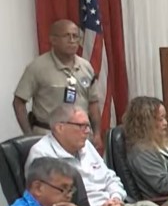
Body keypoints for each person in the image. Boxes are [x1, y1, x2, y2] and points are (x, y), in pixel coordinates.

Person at [26, 105, 159, 206]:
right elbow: (52, 202)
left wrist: (116, 198)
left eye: (88, 126)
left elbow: (110, 178)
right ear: (60, 127)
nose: (88, 132)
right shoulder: (42, 153)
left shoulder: (86, 145)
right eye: (81, 126)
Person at [12, 20, 104, 150]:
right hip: (48, 137)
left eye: (75, 36)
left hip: (81, 138)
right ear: (53, 40)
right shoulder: (37, 67)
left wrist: (97, 133)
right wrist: (28, 135)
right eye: (67, 36)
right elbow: (19, 102)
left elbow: (93, 103)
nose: (72, 40)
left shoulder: (86, 67)